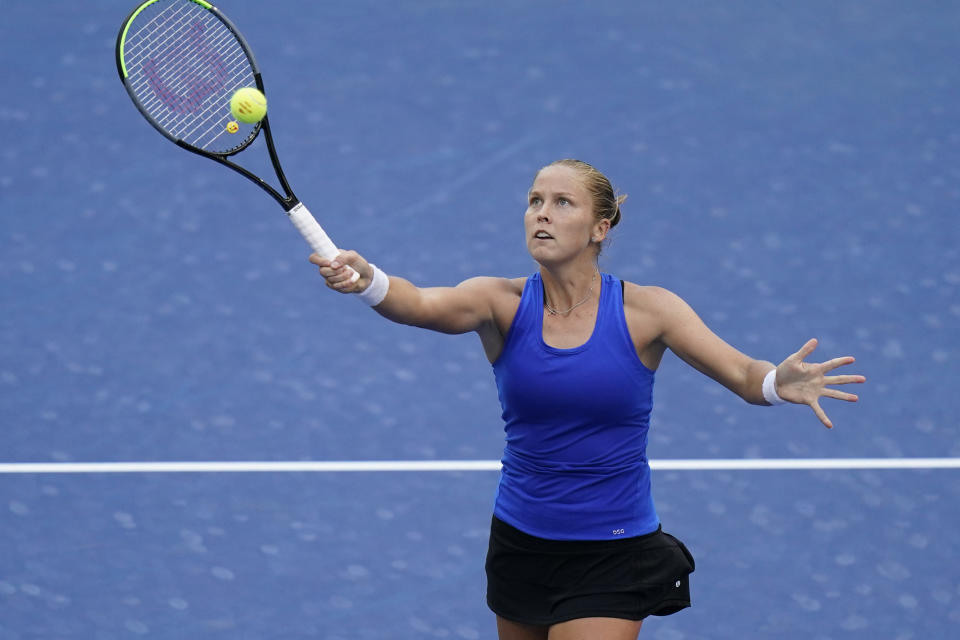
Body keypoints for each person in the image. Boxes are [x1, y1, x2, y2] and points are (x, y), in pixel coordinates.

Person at [310, 159, 865, 640]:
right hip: (520, 543)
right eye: (534, 201)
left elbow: (744, 372)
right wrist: (370, 281)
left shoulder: (649, 311)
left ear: (600, 227)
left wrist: (776, 383)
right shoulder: (497, 303)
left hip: (614, 551)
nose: (541, 214)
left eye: (561, 202)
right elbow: (419, 304)